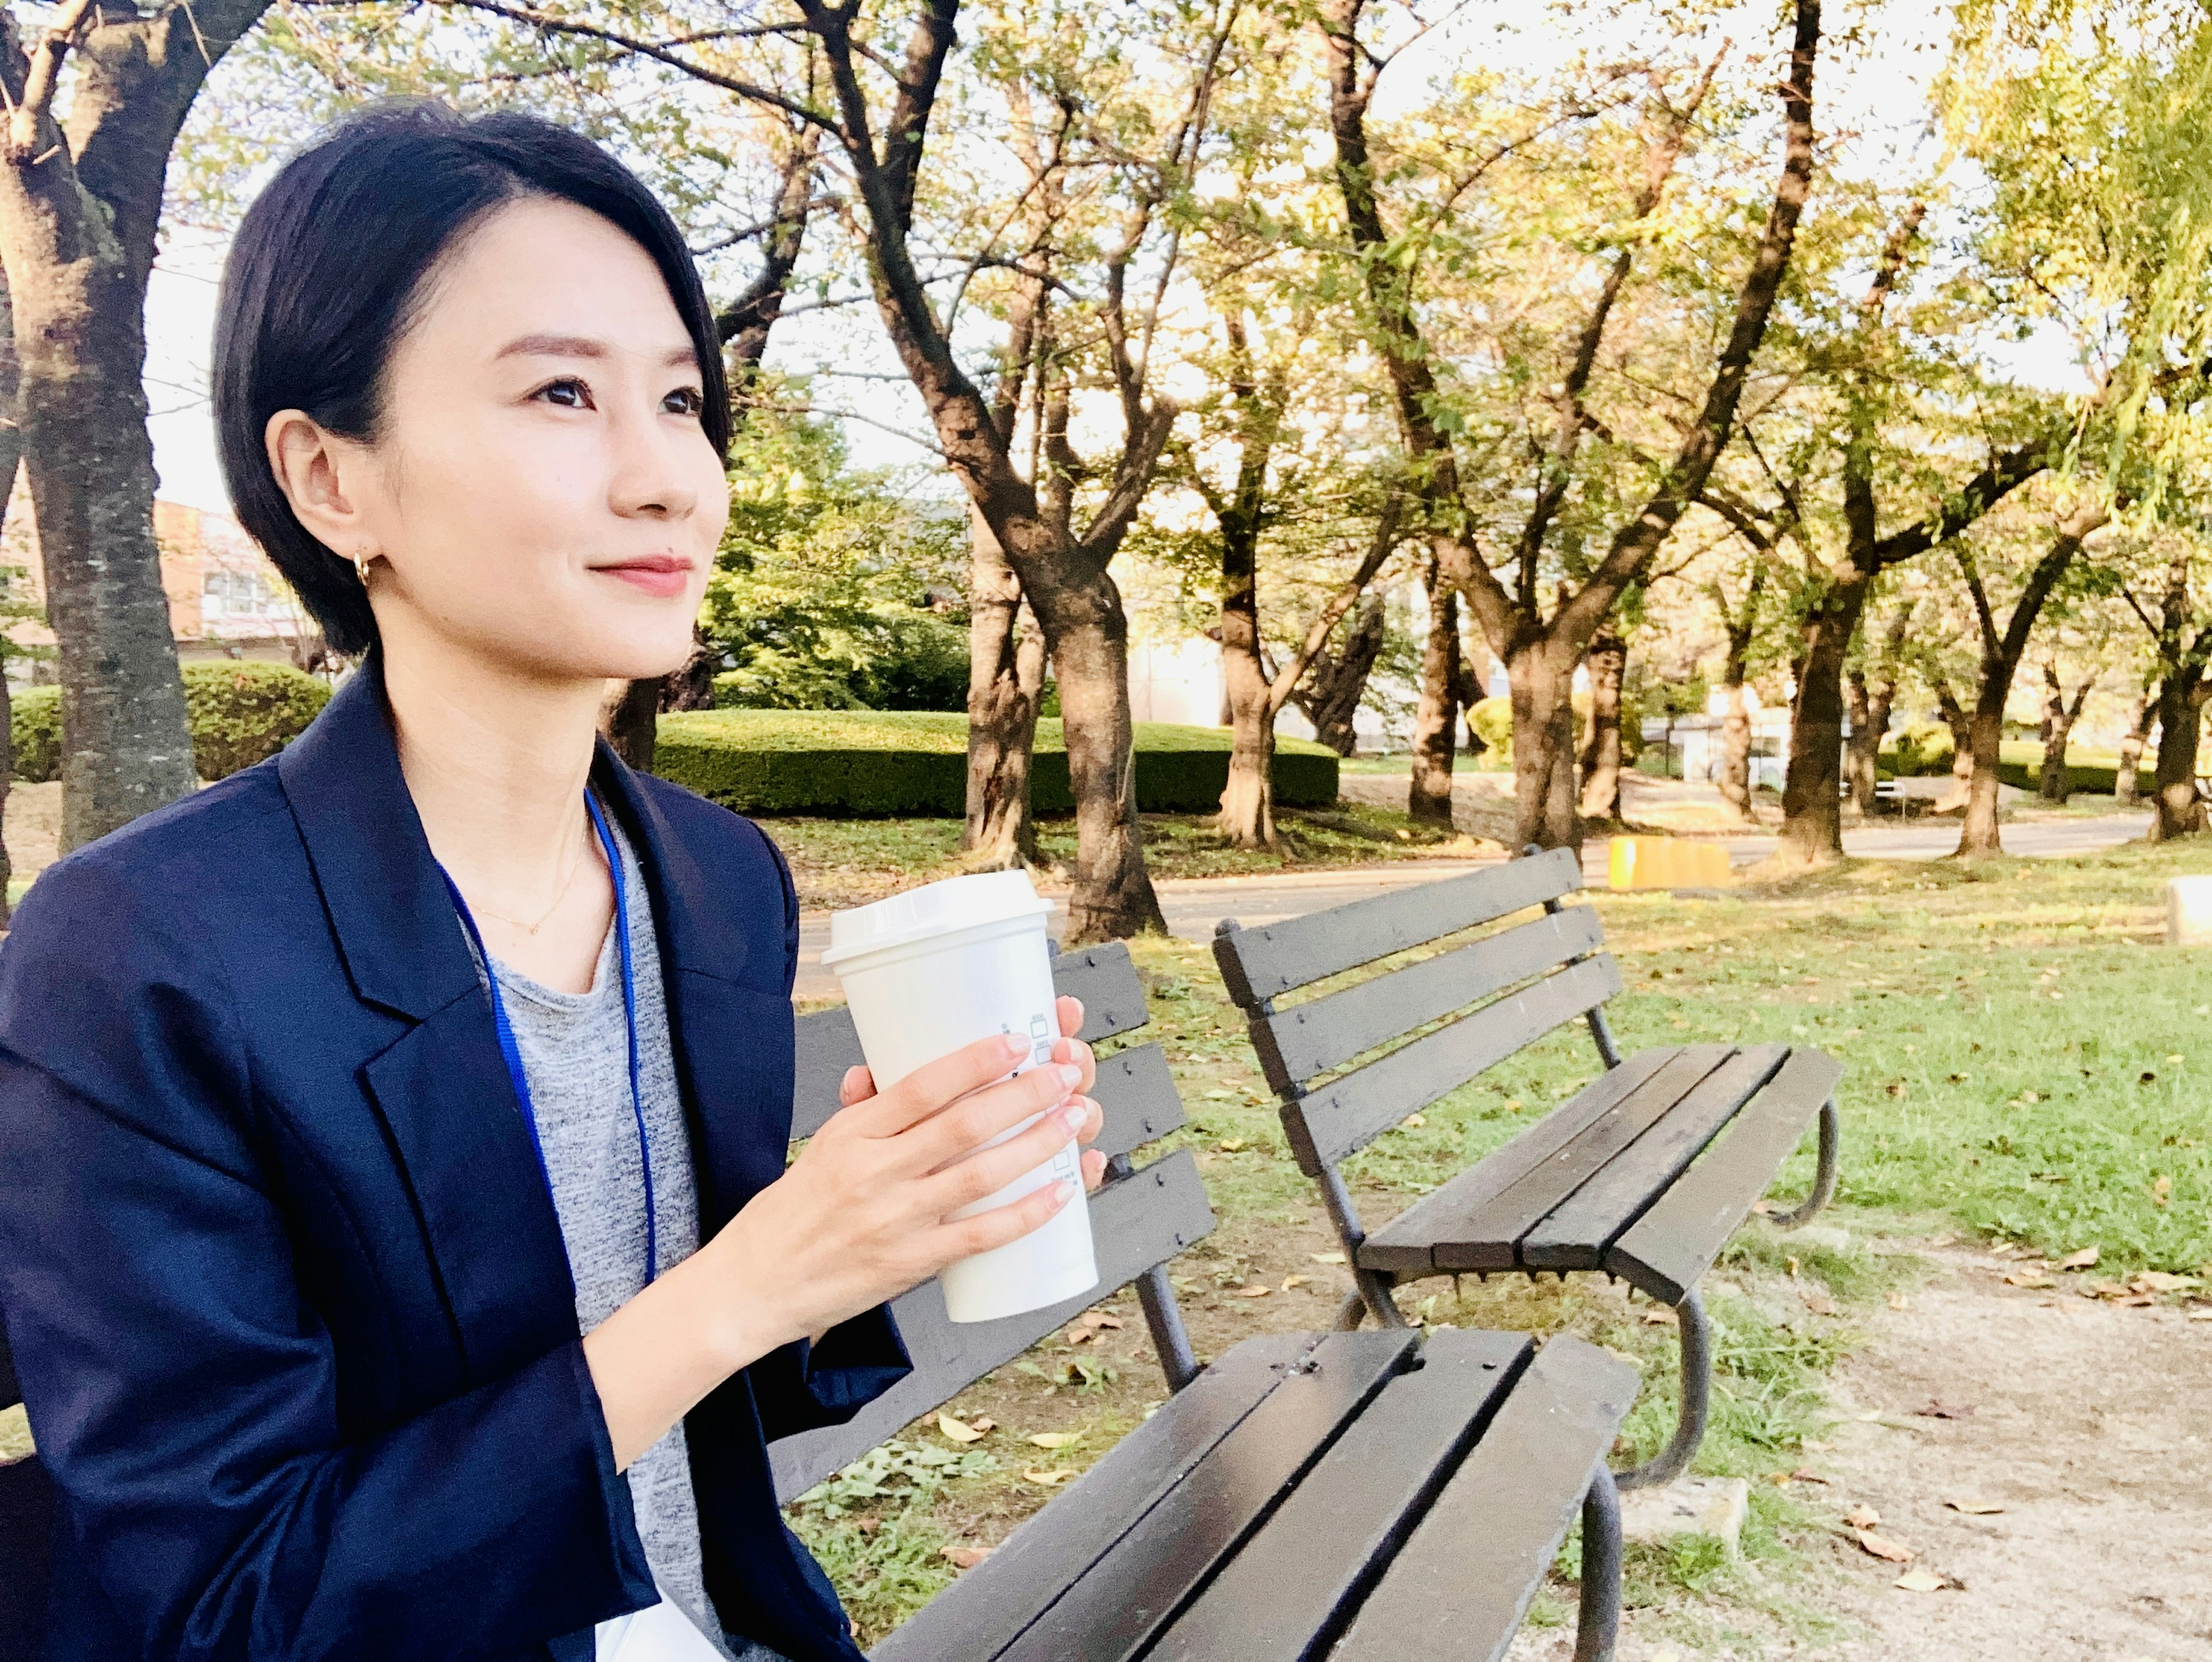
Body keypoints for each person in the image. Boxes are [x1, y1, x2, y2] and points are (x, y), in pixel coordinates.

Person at [0, 103, 1105, 1662]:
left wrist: (907, 1208)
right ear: (332, 482)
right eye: (563, 393)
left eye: (680, 398)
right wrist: (742, 1286)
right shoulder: (140, 954)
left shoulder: (716, 881)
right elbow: (228, 1605)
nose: (668, 478)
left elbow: (713, 1389)